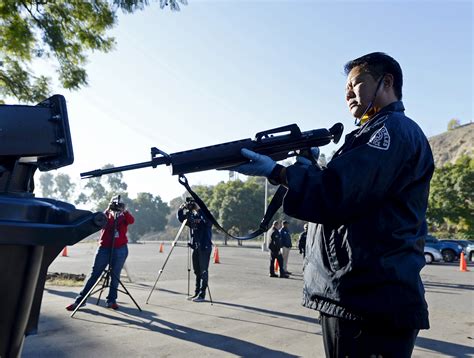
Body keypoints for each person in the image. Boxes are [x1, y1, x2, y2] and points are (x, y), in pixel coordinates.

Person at [229, 52, 434, 357]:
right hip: (359, 297)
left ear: (386, 81)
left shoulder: (391, 131)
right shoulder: (374, 132)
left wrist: (277, 171)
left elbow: (336, 194)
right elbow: (351, 194)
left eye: (357, 83)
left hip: (369, 302)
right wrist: (310, 167)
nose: (349, 93)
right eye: (346, 90)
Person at [66, 196, 135, 311]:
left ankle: (111, 301)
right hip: (104, 248)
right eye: (114, 204)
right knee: (94, 274)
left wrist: (124, 210)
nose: (116, 206)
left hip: (120, 248)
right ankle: (80, 301)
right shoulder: (105, 215)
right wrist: (108, 210)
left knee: (115, 275)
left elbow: (131, 221)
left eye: (119, 205)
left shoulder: (124, 216)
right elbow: (98, 221)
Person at [178, 198, 213, 302]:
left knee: (203, 271)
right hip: (195, 247)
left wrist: (199, 209)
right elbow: (181, 219)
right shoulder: (192, 217)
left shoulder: (206, 215)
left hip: (204, 246)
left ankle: (202, 295)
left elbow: (208, 223)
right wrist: (181, 208)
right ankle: (196, 292)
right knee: (197, 271)